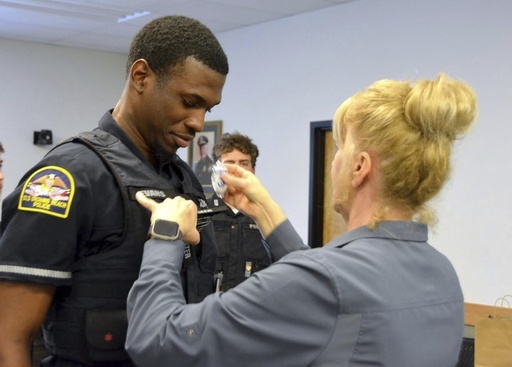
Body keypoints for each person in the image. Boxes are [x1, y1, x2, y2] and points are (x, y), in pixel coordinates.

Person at [125, 73, 477, 367]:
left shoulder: (324, 282)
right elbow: (329, 287)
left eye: (340, 147)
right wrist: (263, 208)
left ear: (359, 167)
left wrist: (166, 234)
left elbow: (155, 339)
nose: (335, 160)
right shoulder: (441, 272)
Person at [0, 15, 228, 367]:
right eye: (188, 101)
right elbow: (9, 337)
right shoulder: (68, 177)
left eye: (206, 109)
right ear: (141, 77)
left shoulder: (183, 179)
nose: (198, 122)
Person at [208, 132, 271, 291]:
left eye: (244, 163)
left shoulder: (267, 217)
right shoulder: (202, 215)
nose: (236, 170)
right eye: (229, 163)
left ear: (253, 170)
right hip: (209, 310)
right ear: (217, 170)